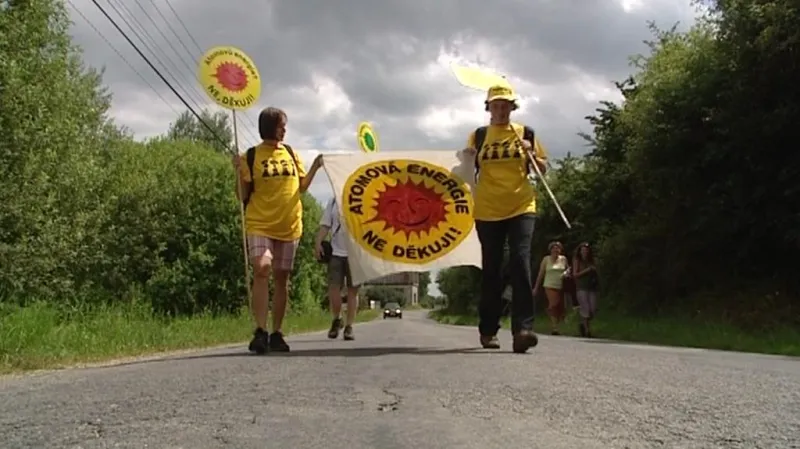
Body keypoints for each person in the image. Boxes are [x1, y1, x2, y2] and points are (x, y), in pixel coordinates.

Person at [458, 84, 548, 354]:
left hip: (522, 204)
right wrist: (468, 158)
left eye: (506, 105)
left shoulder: (526, 133)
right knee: (492, 270)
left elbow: (542, 168)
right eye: (496, 105)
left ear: (512, 107)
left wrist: (531, 152)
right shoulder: (479, 135)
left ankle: (523, 329)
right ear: (489, 108)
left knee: (521, 263)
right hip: (487, 209)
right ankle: (488, 330)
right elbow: (465, 171)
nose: (501, 110)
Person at [232, 106, 323, 354]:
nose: (285, 129)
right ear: (271, 126)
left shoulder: (292, 154)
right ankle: (260, 331)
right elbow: (242, 196)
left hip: (289, 225)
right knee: (262, 267)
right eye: (282, 125)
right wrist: (238, 172)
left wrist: (315, 167)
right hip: (260, 223)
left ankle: (277, 333)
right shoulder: (250, 156)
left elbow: (302, 187)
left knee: (282, 278)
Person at [315, 197, 360, 341]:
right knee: (333, 288)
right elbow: (325, 225)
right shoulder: (333, 200)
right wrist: (318, 243)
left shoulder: (364, 198)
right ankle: (337, 318)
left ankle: (349, 326)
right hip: (336, 252)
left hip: (355, 253)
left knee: (353, 291)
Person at [534, 241, 569, 335]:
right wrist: (536, 287)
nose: (556, 250)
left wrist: (566, 273)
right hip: (549, 285)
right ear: (550, 250)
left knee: (559, 306)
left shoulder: (563, 259)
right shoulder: (546, 259)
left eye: (558, 248)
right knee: (553, 304)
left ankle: (556, 323)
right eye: (553, 248)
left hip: (561, 285)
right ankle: (555, 327)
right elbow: (541, 274)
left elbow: (567, 270)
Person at [572, 242, 599, 337]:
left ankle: (582, 323)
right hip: (581, 287)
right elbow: (575, 275)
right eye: (583, 250)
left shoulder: (592, 261)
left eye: (586, 250)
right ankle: (587, 330)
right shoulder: (577, 260)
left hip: (592, 287)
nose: (585, 252)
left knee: (593, 309)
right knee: (585, 309)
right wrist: (587, 271)